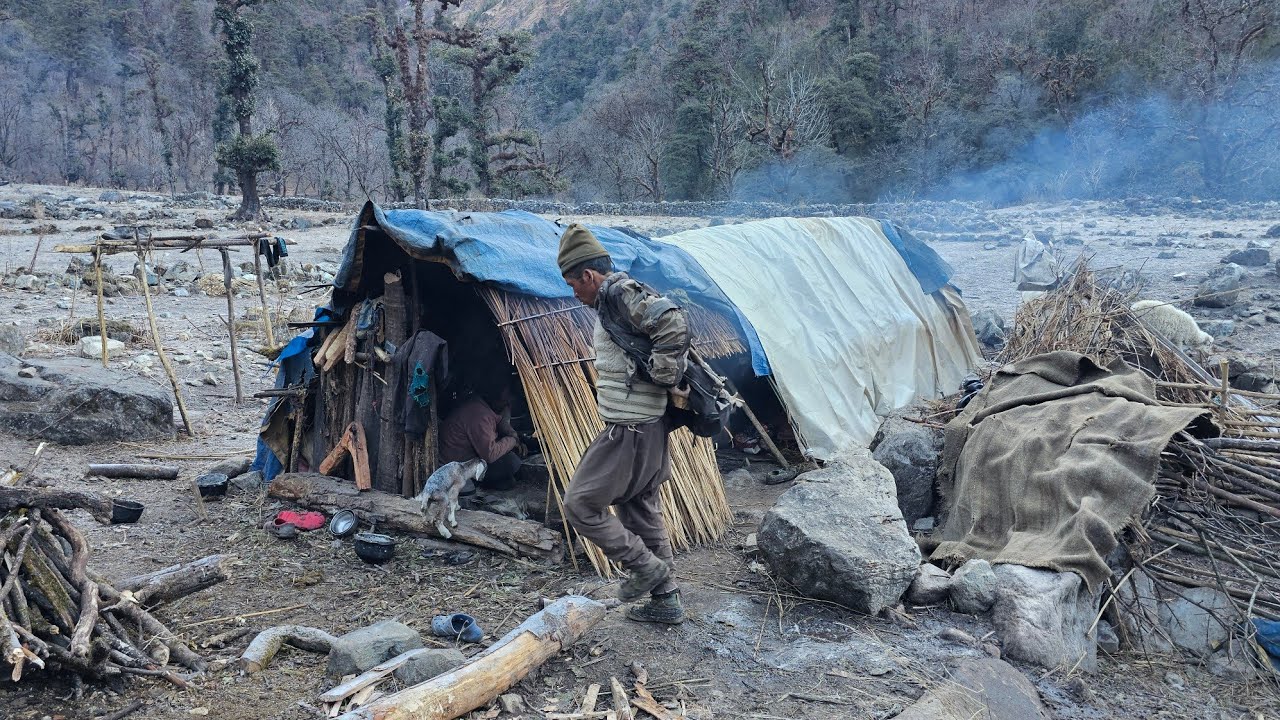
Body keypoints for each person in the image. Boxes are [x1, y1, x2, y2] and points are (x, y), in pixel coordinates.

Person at [558, 223, 688, 625]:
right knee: (639, 510)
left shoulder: (616, 292)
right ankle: (667, 601)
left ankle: (646, 569)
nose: (573, 293)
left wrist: (665, 371)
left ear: (588, 276)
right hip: (645, 428)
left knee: (580, 504)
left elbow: (671, 321)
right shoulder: (611, 300)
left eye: (572, 283)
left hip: (630, 429)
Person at [439, 386, 522, 490]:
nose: (507, 405)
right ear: (495, 399)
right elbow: (490, 454)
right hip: (454, 465)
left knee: (510, 462)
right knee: (510, 463)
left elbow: (499, 420)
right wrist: (512, 441)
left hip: (459, 458)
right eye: (505, 402)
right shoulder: (480, 415)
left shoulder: (479, 404)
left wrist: (512, 433)